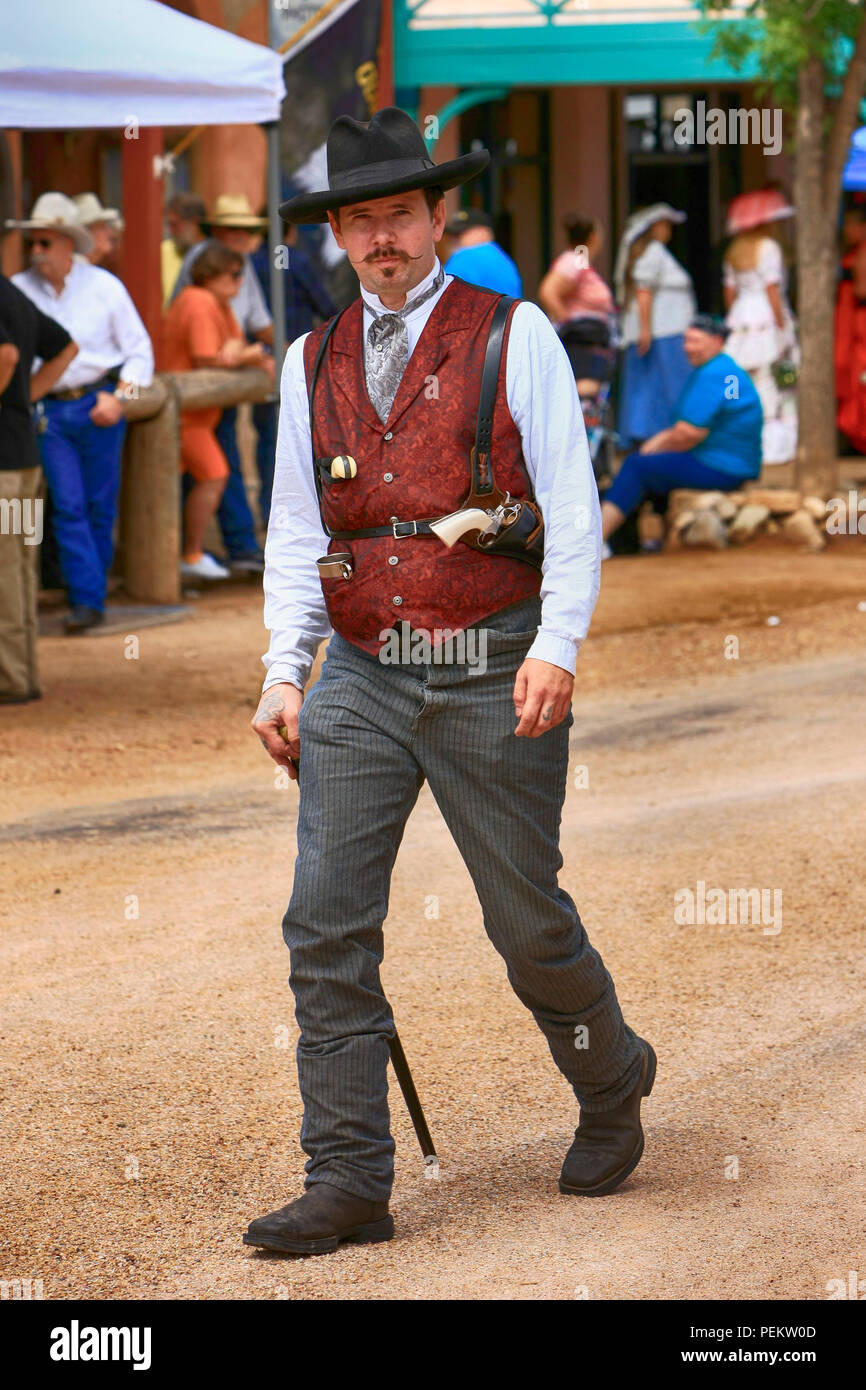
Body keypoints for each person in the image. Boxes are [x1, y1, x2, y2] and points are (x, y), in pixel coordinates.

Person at [245, 106, 656, 1257]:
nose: (380, 236)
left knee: (525, 921)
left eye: (399, 213)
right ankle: (347, 1177)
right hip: (362, 673)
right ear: (335, 235)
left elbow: (569, 509)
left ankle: (609, 1077)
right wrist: (283, 670)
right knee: (324, 924)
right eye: (359, 220)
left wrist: (555, 645)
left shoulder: (513, 334)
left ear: (436, 217)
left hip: (489, 663)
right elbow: (297, 529)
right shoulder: (307, 361)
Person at [8, 193, 154, 633]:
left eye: (45, 242)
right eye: (32, 243)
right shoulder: (18, 289)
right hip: (46, 410)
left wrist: (120, 399)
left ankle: (91, 593)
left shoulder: (105, 287)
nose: (36, 251)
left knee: (98, 506)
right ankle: (87, 599)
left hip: (97, 403)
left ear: (69, 243)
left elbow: (140, 353)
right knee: (69, 505)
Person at [173, 194, 273, 575]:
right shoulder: (201, 294)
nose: (243, 237)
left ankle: (200, 552)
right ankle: (196, 554)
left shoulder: (230, 275)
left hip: (203, 404)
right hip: (188, 406)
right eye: (234, 230)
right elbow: (211, 355)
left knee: (205, 473)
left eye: (247, 231)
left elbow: (243, 339)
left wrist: (250, 352)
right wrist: (247, 354)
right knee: (214, 472)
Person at [600, 315, 762, 547]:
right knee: (649, 467)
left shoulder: (715, 373)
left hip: (723, 466)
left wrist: (657, 442)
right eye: (686, 341)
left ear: (717, 342)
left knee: (636, 466)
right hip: (733, 463)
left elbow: (690, 433)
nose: (688, 348)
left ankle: (595, 541)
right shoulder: (726, 370)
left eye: (696, 341)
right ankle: (630, 545)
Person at [0, 274, 78, 702]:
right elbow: (66, 347)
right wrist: (23, 398)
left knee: (7, 571)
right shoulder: (13, 293)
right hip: (24, 458)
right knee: (21, 570)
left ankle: (10, 679)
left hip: (6, 468)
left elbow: (6, 354)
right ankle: (22, 675)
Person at [250, 218, 336, 527]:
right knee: (299, 439)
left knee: (267, 439)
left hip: (262, 361)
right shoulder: (298, 261)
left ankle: (268, 511)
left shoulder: (251, 262)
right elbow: (325, 305)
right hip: (299, 361)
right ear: (291, 231)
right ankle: (296, 514)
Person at [723, 187, 798, 466]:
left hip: (741, 319)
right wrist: (783, 326)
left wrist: (735, 319)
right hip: (766, 319)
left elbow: (729, 291)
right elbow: (772, 290)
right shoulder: (769, 248)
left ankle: (740, 442)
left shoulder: (734, 251)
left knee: (739, 383)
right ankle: (774, 447)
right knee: (776, 383)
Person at [614, 203, 696, 449]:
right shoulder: (655, 252)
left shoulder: (654, 252)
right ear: (656, 227)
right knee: (664, 387)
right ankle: (662, 438)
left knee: (651, 387)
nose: (669, 230)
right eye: (666, 225)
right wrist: (645, 330)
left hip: (663, 332)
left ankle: (654, 438)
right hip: (663, 334)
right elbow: (644, 291)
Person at [538, 214, 615, 396]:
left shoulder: (580, 261)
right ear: (594, 237)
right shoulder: (575, 260)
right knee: (584, 393)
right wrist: (570, 324)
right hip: (581, 342)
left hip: (590, 340)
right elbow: (548, 291)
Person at [836, 203, 866, 453]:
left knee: (857, 372)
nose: (847, 230)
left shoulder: (863, 252)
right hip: (850, 317)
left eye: (851, 224)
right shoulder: (855, 250)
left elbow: (861, 290)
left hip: (856, 319)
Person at [443, 208, 522, 296]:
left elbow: (444, 296)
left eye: (460, 234)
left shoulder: (465, 257)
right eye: (452, 235)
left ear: (483, 232)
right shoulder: (503, 258)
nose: (453, 240)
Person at [161, 192, 207, 307]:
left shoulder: (214, 255)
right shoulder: (163, 251)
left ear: (194, 223)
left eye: (174, 225)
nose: (171, 231)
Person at [73, 193, 123, 269]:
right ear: (85, 233)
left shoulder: (87, 268)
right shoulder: (76, 269)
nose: (109, 232)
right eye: (101, 227)